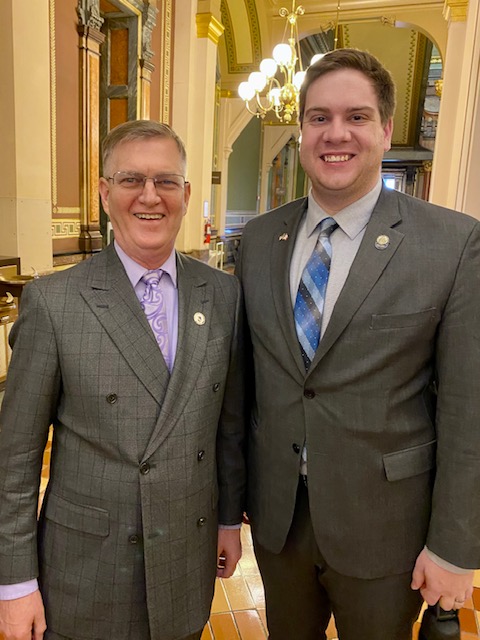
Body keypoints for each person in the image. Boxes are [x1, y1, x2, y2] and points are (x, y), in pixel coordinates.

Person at [235, 48, 480, 640]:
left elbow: (469, 409)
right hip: (279, 524)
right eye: (318, 117)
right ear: (300, 131)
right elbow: (244, 389)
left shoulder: (452, 243)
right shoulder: (262, 239)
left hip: (387, 528)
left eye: (356, 116)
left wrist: (455, 547)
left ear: (386, 128)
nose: (335, 133)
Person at [0, 120, 246, 640]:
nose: (149, 197)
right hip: (88, 569)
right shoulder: (55, 302)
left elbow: (226, 428)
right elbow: (15, 458)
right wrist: (15, 582)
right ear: (106, 195)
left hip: (185, 558)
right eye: (132, 180)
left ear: (185, 193)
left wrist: (227, 521)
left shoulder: (223, 295)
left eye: (165, 181)